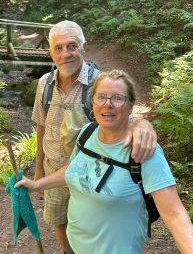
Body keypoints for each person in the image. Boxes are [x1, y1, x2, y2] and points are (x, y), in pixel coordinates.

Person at [19, 69, 193, 254]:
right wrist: (36, 185)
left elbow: (175, 215)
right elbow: (75, 169)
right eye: (102, 97)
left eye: (117, 98)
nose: (108, 104)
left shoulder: (144, 151)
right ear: (93, 102)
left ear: (130, 105)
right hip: (74, 245)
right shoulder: (87, 132)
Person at [31, 20, 158, 252]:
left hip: (93, 174)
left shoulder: (100, 83)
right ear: (50, 52)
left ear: (84, 47)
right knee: (59, 221)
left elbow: (124, 111)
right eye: (58, 48)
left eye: (71, 46)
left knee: (95, 227)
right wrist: (39, 169)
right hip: (54, 171)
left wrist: (143, 124)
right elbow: (41, 126)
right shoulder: (44, 85)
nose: (65, 54)